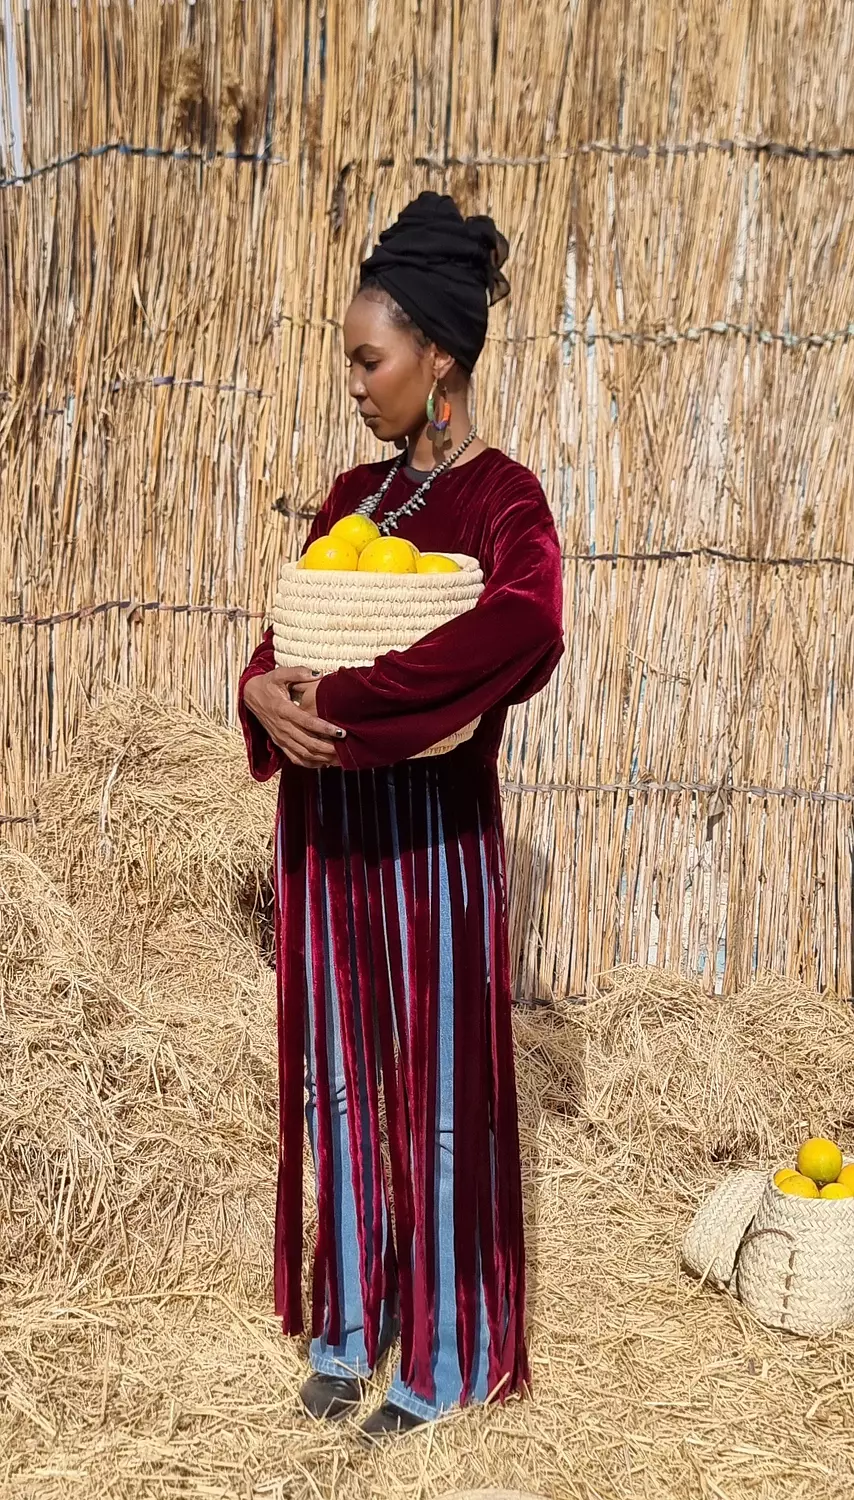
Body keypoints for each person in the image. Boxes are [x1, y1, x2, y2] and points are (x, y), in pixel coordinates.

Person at [238, 191, 563, 1439]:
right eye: (347, 360)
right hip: (330, 850)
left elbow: (523, 625)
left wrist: (356, 703)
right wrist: (262, 691)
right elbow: (282, 633)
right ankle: (349, 1325)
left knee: (429, 1097)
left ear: (437, 356)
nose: (355, 384)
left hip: (427, 844)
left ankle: (437, 1351)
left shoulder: (502, 502)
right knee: (336, 1087)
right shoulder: (345, 501)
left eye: (369, 360)